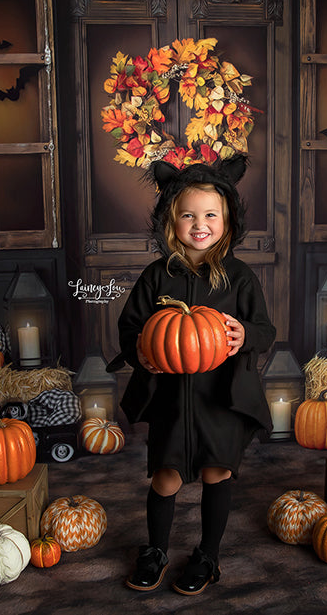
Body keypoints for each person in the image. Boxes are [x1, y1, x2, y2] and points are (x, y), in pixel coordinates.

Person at [107, 155, 276, 596]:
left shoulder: (239, 277)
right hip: (170, 398)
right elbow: (131, 328)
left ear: (227, 220)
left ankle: (208, 556)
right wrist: (141, 352)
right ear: (171, 221)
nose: (199, 224)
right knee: (166, 476)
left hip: (219, 398)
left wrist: (245, 335)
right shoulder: (155, 277)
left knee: (217, 473)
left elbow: (265, 328)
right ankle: (156, 550)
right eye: (188, 215)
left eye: (210, 215)